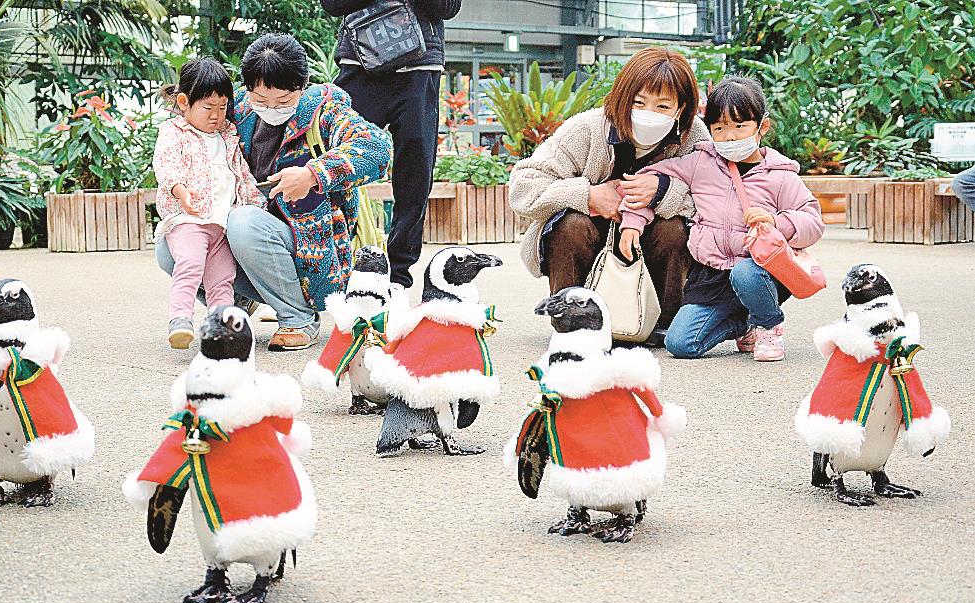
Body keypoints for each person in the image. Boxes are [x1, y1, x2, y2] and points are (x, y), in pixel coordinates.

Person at [155, 33, 393, 351]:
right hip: (248, 245)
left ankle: (298, 317)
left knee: (243, 221)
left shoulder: (323, 111)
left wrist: (313, 174)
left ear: (301, 87)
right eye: (260, 99)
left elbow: (377, 148)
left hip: (314, 255)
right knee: (171, 247)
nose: (270, 108)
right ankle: (239, 301)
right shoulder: (236, 109)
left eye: (282, 102)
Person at [508, 47, 712, 347]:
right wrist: (588, 194)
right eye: (639, 102)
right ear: (623, 97)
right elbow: (524, 185)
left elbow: (715, 200)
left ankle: (665, 323)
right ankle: (572, 321)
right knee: (571, 226)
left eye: (663, 107)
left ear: (681, 108)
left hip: (652, 243)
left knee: (674, 230)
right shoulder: (587, 128)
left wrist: (663, 193)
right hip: (591, 238)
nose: (649, 114)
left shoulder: (693, 137)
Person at [631, 76, 825, 361]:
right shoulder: (701, 163)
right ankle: (744, 322)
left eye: (739, 126)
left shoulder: (780, 175)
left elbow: (814, 222)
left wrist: (776, 221)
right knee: (680, 344)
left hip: (761, 273)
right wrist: (633, 220)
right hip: (710, 274)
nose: (730, 136)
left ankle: (767, 324)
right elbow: (650, 177)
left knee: (745, 273)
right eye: (719, 128)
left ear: (762, 126)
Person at [322, 0, 462, 288]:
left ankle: (398, 277)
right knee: (329, 160)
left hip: (420, 64)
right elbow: (332, 4)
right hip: (360, 60)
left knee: (416, 175)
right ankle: (324, 266)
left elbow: (448, 7)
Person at [153, 59, 264, 349]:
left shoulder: (227, 136)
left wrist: (256, 206)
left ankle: (223, 328)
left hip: (221, 224)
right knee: (189, 264)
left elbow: (242, 176)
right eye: (208, 108)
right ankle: (180, 319)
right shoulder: (174, 132)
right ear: (184, 102)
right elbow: (165, 164)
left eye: (223, 107)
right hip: (189, 221)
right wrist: (180, 190)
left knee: (222, 279)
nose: (216, 116)